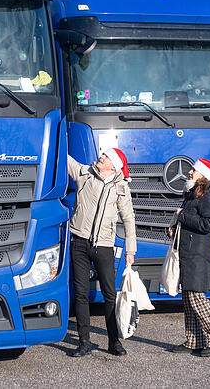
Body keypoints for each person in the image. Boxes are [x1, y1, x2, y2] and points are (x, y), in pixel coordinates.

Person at [66, 148, 137, 357]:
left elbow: (129, 219)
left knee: (109, 295)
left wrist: (130, 250)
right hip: (79, 242)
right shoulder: (85, 173)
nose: (101, 157)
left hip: (105, 246)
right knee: (80, 295)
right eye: (102, 154)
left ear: (113, 166)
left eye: (105, 156)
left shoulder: (121, 187)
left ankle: (113, 342)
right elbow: (64, 157)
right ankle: (84, 341)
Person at [167, 159, 210, 356]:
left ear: (203, 174)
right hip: (187, 250)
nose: (189, 172)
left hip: (198, 252)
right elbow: (189, 221)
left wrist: (182, 216)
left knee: (197, 298)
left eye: (193, 169)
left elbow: (208, 224)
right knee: (188, 298)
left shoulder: (209, 195)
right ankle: (194, 340)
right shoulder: (193, 192)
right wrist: (174, 229)